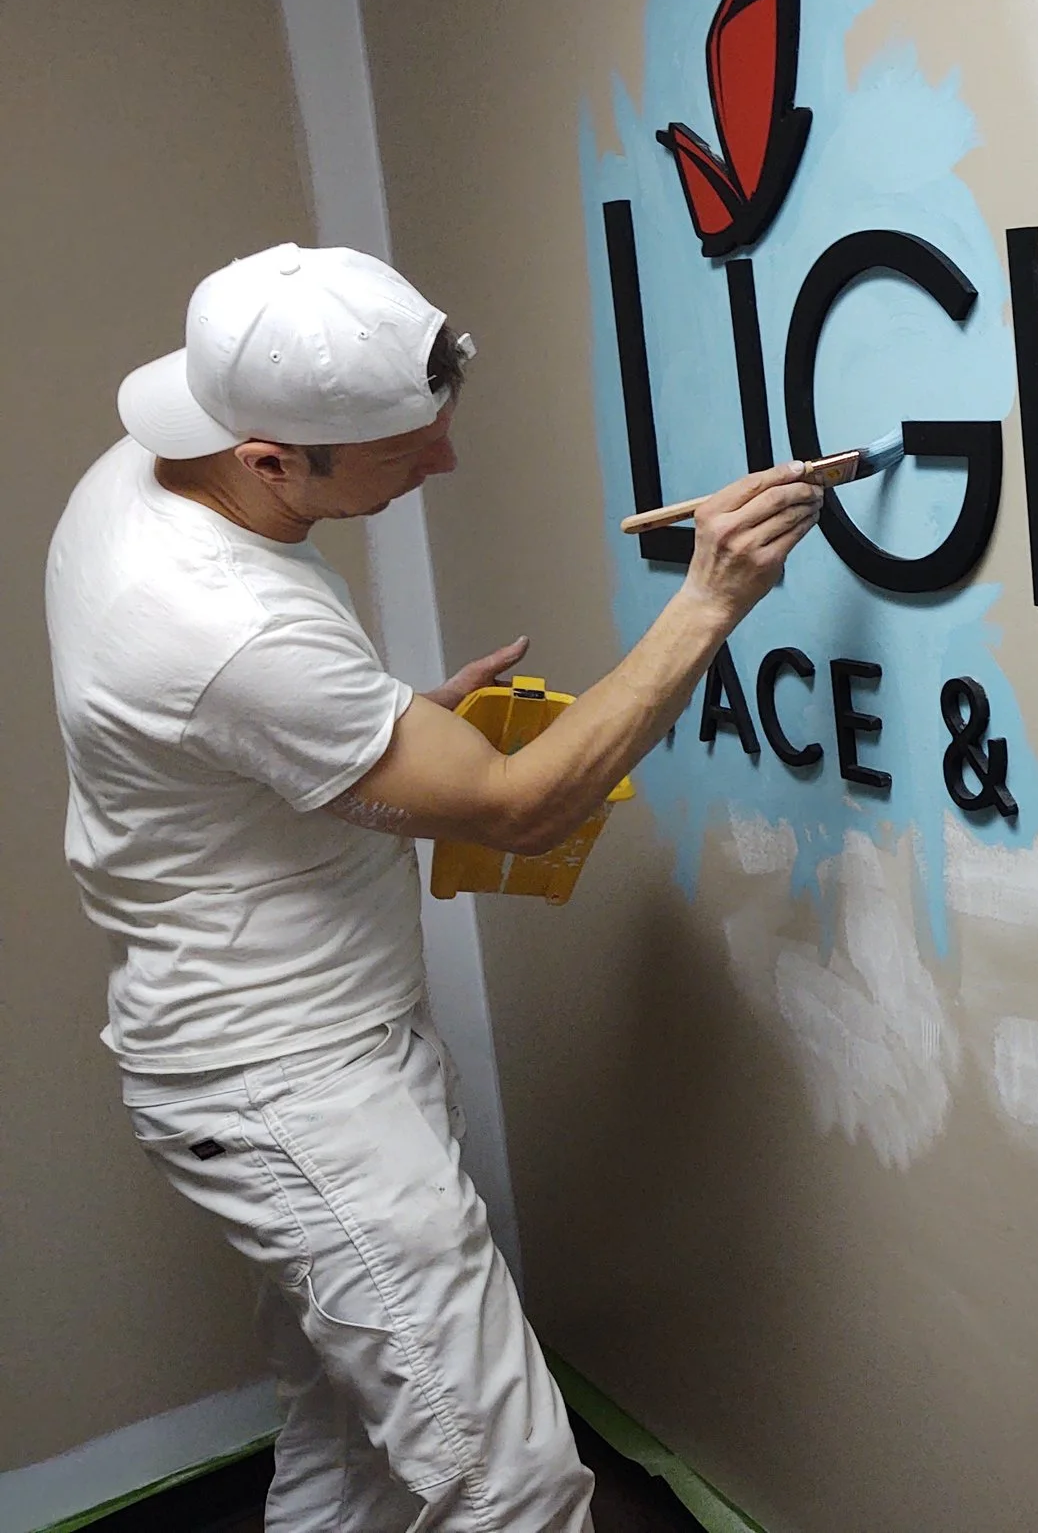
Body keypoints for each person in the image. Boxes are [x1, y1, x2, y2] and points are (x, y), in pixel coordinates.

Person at [45, 242, 822, 1532]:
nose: (443, 464)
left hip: (266, 1048)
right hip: (289, 1083)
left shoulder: (142, 474)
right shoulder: (221, 620)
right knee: (513, 1479)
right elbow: (528, 808)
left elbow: (234, 731)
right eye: (405, 449)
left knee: (349, 1448)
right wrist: (711, 600)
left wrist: (375, 734)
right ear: (270, 458)